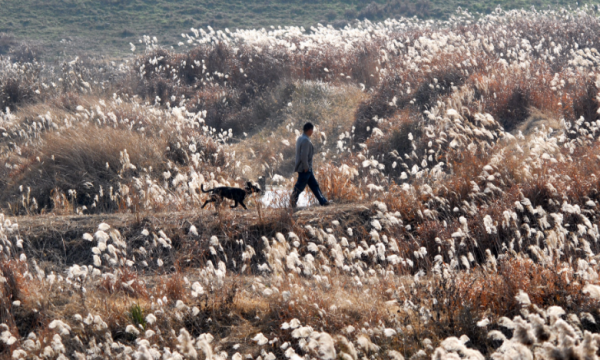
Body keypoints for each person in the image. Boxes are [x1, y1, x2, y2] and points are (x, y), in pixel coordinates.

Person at [290, 122, 330, 208]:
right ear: (310, 129)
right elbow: (303, 155)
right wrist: (306, 167)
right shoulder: (305, 140)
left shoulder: (300, 138)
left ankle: (323, 201)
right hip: (305, 168)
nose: (313, 132)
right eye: (312, 130)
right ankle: (292, 202)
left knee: (314, 185)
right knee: (299, 186)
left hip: (306, 167)